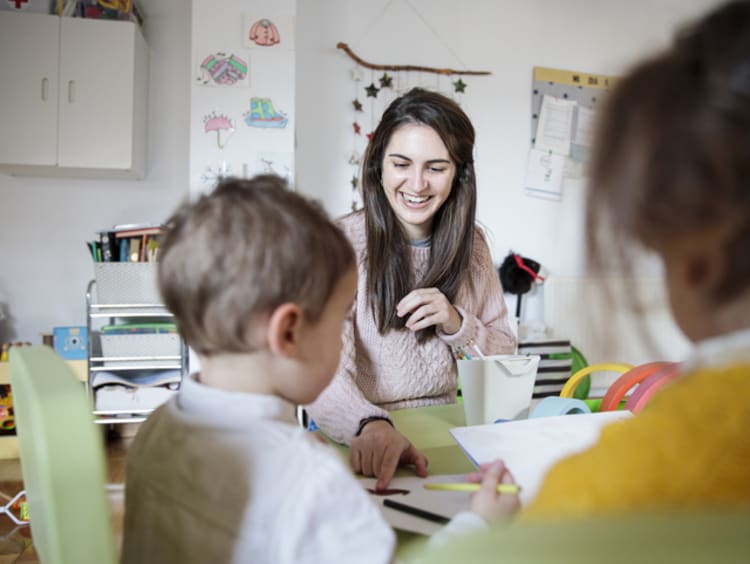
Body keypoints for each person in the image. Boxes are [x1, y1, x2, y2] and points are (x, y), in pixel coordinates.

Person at [120, 175, 516, 564]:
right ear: (289, 332)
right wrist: (480, 525)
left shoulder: (155, 430)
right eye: (341, 317)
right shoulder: (311, 482)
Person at [461, 0, 750, 522]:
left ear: (693, 255)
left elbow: (502, 343)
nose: (418, 183)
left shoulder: (604, 490)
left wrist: (487, 528)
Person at [306, 88, 517, 490]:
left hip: (448, 425)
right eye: (401, 163)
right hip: (357, 427)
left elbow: (506, 354)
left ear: (459, 174)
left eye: (436, 167)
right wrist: (369, 423)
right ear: (378, 167)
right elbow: (321, 371)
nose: (417, 184)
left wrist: (457, 324)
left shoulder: (473, 246)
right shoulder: (338, 244)